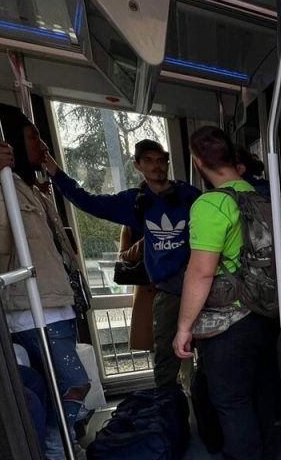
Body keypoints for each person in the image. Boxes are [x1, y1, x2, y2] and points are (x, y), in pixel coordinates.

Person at [0, 102, 90, 460]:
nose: (43, 146)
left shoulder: (25, 185)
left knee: (55, 386)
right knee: (75, 383)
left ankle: (62, 445)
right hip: (33, 311)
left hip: (52, 303)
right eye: (35, 137)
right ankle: (54, 449)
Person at [43, 139, 200, 390]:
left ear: (167, 163)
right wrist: (56, 173)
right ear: (138, 165)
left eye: (160, 160)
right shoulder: (136, 202)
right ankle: (170, 412)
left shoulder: (189, 197)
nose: (156, 166)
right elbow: (88, 201)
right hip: (168, 290)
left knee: (210, 350)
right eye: (148, 161)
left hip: (201, 284)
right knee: (165, 357)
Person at [174, 126, 281, 460]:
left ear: (199, 162)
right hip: (267, 311)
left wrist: (184, 326)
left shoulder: (211, 204)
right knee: (262, 385)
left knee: (230, 396)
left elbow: (202, 273)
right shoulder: (265, 198)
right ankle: (265, 450)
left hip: (229, 319)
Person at [119, 225, 155, 352]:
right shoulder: (130, 224)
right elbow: (123, 256)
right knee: (155, 342)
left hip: (176, 286)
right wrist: (142, 244)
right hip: (147, 287)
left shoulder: (176, 216)